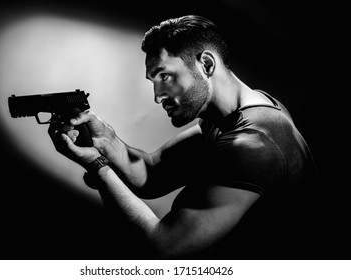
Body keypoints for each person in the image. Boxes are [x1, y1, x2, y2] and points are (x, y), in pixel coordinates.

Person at [49, 15, 318, 259]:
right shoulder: (232, 115)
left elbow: (161, 247)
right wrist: (105, 139)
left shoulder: (253, 143)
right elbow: (151, 175)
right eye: (153, 80)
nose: (157, 95)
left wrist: (98, 167)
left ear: (206, 64)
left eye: (165, 76)